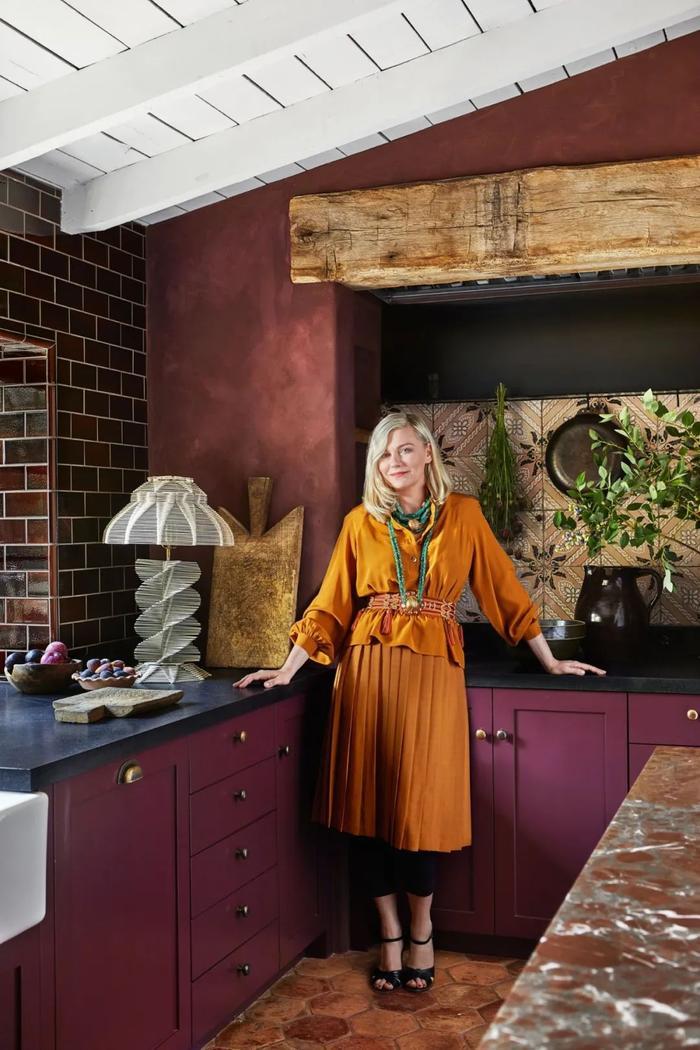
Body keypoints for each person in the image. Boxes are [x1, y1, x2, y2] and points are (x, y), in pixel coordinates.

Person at [234, 410, 606, 992]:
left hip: (433, 674)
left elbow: (502, 589)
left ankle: (423, 930)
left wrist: (550, 659)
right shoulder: (360, 522)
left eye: (405, 449)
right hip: (367, 674)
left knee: (422, 809)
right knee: (367, 808)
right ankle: (389, 932)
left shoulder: (464, 515)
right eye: (384, 455)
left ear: (428, 452)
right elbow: (332, 604)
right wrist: (288, 668)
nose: (395, 462)